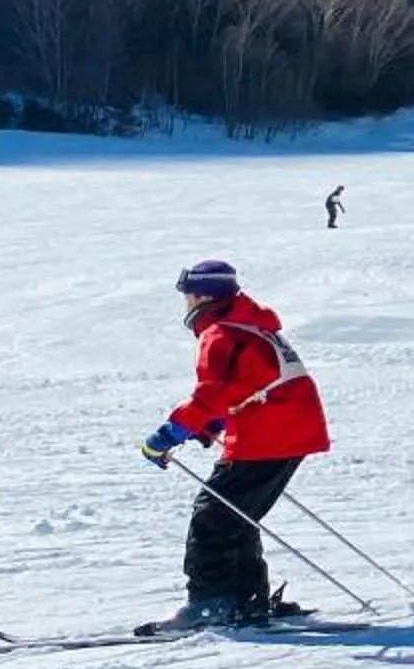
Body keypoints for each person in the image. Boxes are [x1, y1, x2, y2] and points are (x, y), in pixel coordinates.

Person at [137, 260, 332, 631]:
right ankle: (246, 599)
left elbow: (210, 394)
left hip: (271, 436)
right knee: (234, 514)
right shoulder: (249, 326)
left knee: (212, 516)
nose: (187, 305)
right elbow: (246, 385)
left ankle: (210, 604)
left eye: (189, 296)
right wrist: (214, 424)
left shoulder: (222, 335)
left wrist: (165, 437)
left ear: (204, 297)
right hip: (285, 430)